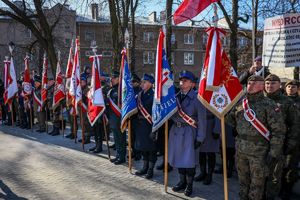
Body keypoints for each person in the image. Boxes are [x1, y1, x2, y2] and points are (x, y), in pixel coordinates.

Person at [226, 75, 285, 200]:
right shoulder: (241, 103)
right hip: (241, 150)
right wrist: (223, 111)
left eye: (254, 83)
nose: (250, 85)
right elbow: (231, 121)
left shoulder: (269, 105)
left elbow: (278, 131)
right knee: (242, 181)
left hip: (259, 152)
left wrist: (273, 152)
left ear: (262, 86)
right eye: (249, 83)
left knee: (257, 184)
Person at [169, 70, 207, 197]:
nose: (182, 82)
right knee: (179, 158)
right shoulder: (175, 97)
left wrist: (200, 138)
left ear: (192, 84)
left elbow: (202, 119)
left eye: (185, 80)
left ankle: (190, 184)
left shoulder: (197, 99)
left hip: (189, 132)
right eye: (181, 80)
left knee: (189, 161)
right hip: (176, 131)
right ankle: (182, 181)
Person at [264, 74, 300, 200]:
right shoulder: (261, 99)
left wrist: (290, 144)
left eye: (273, 83)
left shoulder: (287, 102)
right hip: (261, 144)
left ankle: (278, 194)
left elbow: (295, 125)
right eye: (267, 83)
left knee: (277, 175)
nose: (269, 86)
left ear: (279, 85)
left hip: (280, 144)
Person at [133, 74, 157, 179]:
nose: (142, 84)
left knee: (151, 149)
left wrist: (155, 129)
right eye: (142, 82)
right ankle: (144, 167)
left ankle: (151, 169)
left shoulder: (155, 96)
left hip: (150, 125)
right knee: (143, 148)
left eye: (144, 82)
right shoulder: (139, 95)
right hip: (140, 125)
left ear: (151, 84)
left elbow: (157, 114)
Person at [281, 80, 300, 200]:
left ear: (297, 88)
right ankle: (280, 189)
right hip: (280, 139)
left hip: (295, 141)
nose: (291, 88)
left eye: (293, 86)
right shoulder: (280, 101)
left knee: (290, 167)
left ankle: (287, 191)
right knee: (279, 167)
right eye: (289, 86)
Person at [194, 111, 220, 185]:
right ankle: (203, 173)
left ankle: (209, 175)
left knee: (210, 153)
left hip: (211, 126)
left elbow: (218, 113)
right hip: (200, 126)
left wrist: (217, 129)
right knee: (201, 152)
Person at [108, 71, 126, 165]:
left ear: (119, 78)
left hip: (119, 119)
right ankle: (118, 155)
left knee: (121, 138)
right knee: (116, 138)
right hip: (112, 118)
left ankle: (122, 157)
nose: (112, 79)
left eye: (114, 78)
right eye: (111, 78)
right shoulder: (111, 90)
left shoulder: (121, 90)